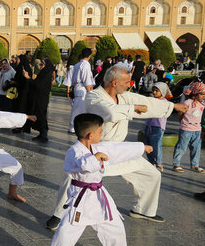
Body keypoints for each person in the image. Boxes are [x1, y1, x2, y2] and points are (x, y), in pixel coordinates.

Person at [44, 64, 188, 231]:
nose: (129, 85)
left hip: (119, 149)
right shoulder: (93, 97)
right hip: (97, 150)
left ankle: (142, 209)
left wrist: (172, 107)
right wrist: (133, 109)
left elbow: (147, 102)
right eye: (126, 82)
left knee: (151, 174)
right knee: (74, 178)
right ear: (114, 82)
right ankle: (59, 214)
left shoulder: (125, 97)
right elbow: (110, 112)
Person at [45, 114, 149, 246]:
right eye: (100, 131)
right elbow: (84, 165)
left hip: (99, 196)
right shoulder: (73, 152)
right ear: (90, 135)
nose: (102, 134)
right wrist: (96, 158)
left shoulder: (97, 147)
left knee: (114, 226)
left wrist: (140, 148)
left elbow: (117, 148)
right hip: (81, 198)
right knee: (67, 231)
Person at [18, 58, 55, 143]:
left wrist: (28, 78)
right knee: (39, 114)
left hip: (41, 99)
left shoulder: (46, 75)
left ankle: (44, 135)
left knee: (41, 115)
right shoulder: (44, 73)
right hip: (39, 98)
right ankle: (42, 134)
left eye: (42, 64)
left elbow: (38, 85)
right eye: (40, 64)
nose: (40, 66)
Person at [172, 81, 205, 173]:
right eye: (202, 94)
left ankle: (195, 165)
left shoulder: (202, 104)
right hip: (186, 128)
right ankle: (176, 164)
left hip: (197, 129)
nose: (203, 96)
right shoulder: (188, 102)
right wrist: (182, 122)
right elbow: (181, 113)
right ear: (195, 93)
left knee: (196, 148)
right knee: (182, 146)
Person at [63, 48, 94, 134]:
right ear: (89, 56)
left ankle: (76, 127)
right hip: (82, 88)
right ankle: (72, 127)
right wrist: (90, 92)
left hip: (77, 87)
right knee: (78, 110)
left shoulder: (77, 65)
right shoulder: (85, 65)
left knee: (79, 109)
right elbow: (86, 80)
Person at [144, 82, 169, 172]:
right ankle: (151, 162)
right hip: (149, 125)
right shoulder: (152, 100)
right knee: (147, 144)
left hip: (158, 126)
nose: (154, 92)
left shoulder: (165, 102)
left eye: (156, 91)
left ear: (162, 91)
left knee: (156, 145)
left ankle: (158, 162)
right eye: (153, 90)